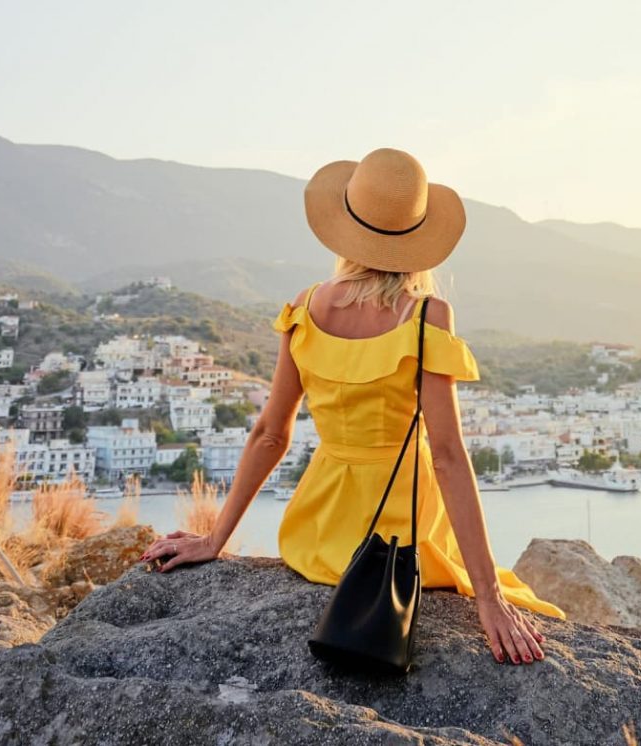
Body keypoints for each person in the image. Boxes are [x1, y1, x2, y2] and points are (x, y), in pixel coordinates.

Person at [140, 148, 558, 664]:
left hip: (319, 531)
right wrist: (488, 600)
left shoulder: (306, 305)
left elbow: (270, 432)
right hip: (406, 533)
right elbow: (447, 455)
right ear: (418, 237)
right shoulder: (428, 314)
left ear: (346, 226)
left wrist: (214, 539)